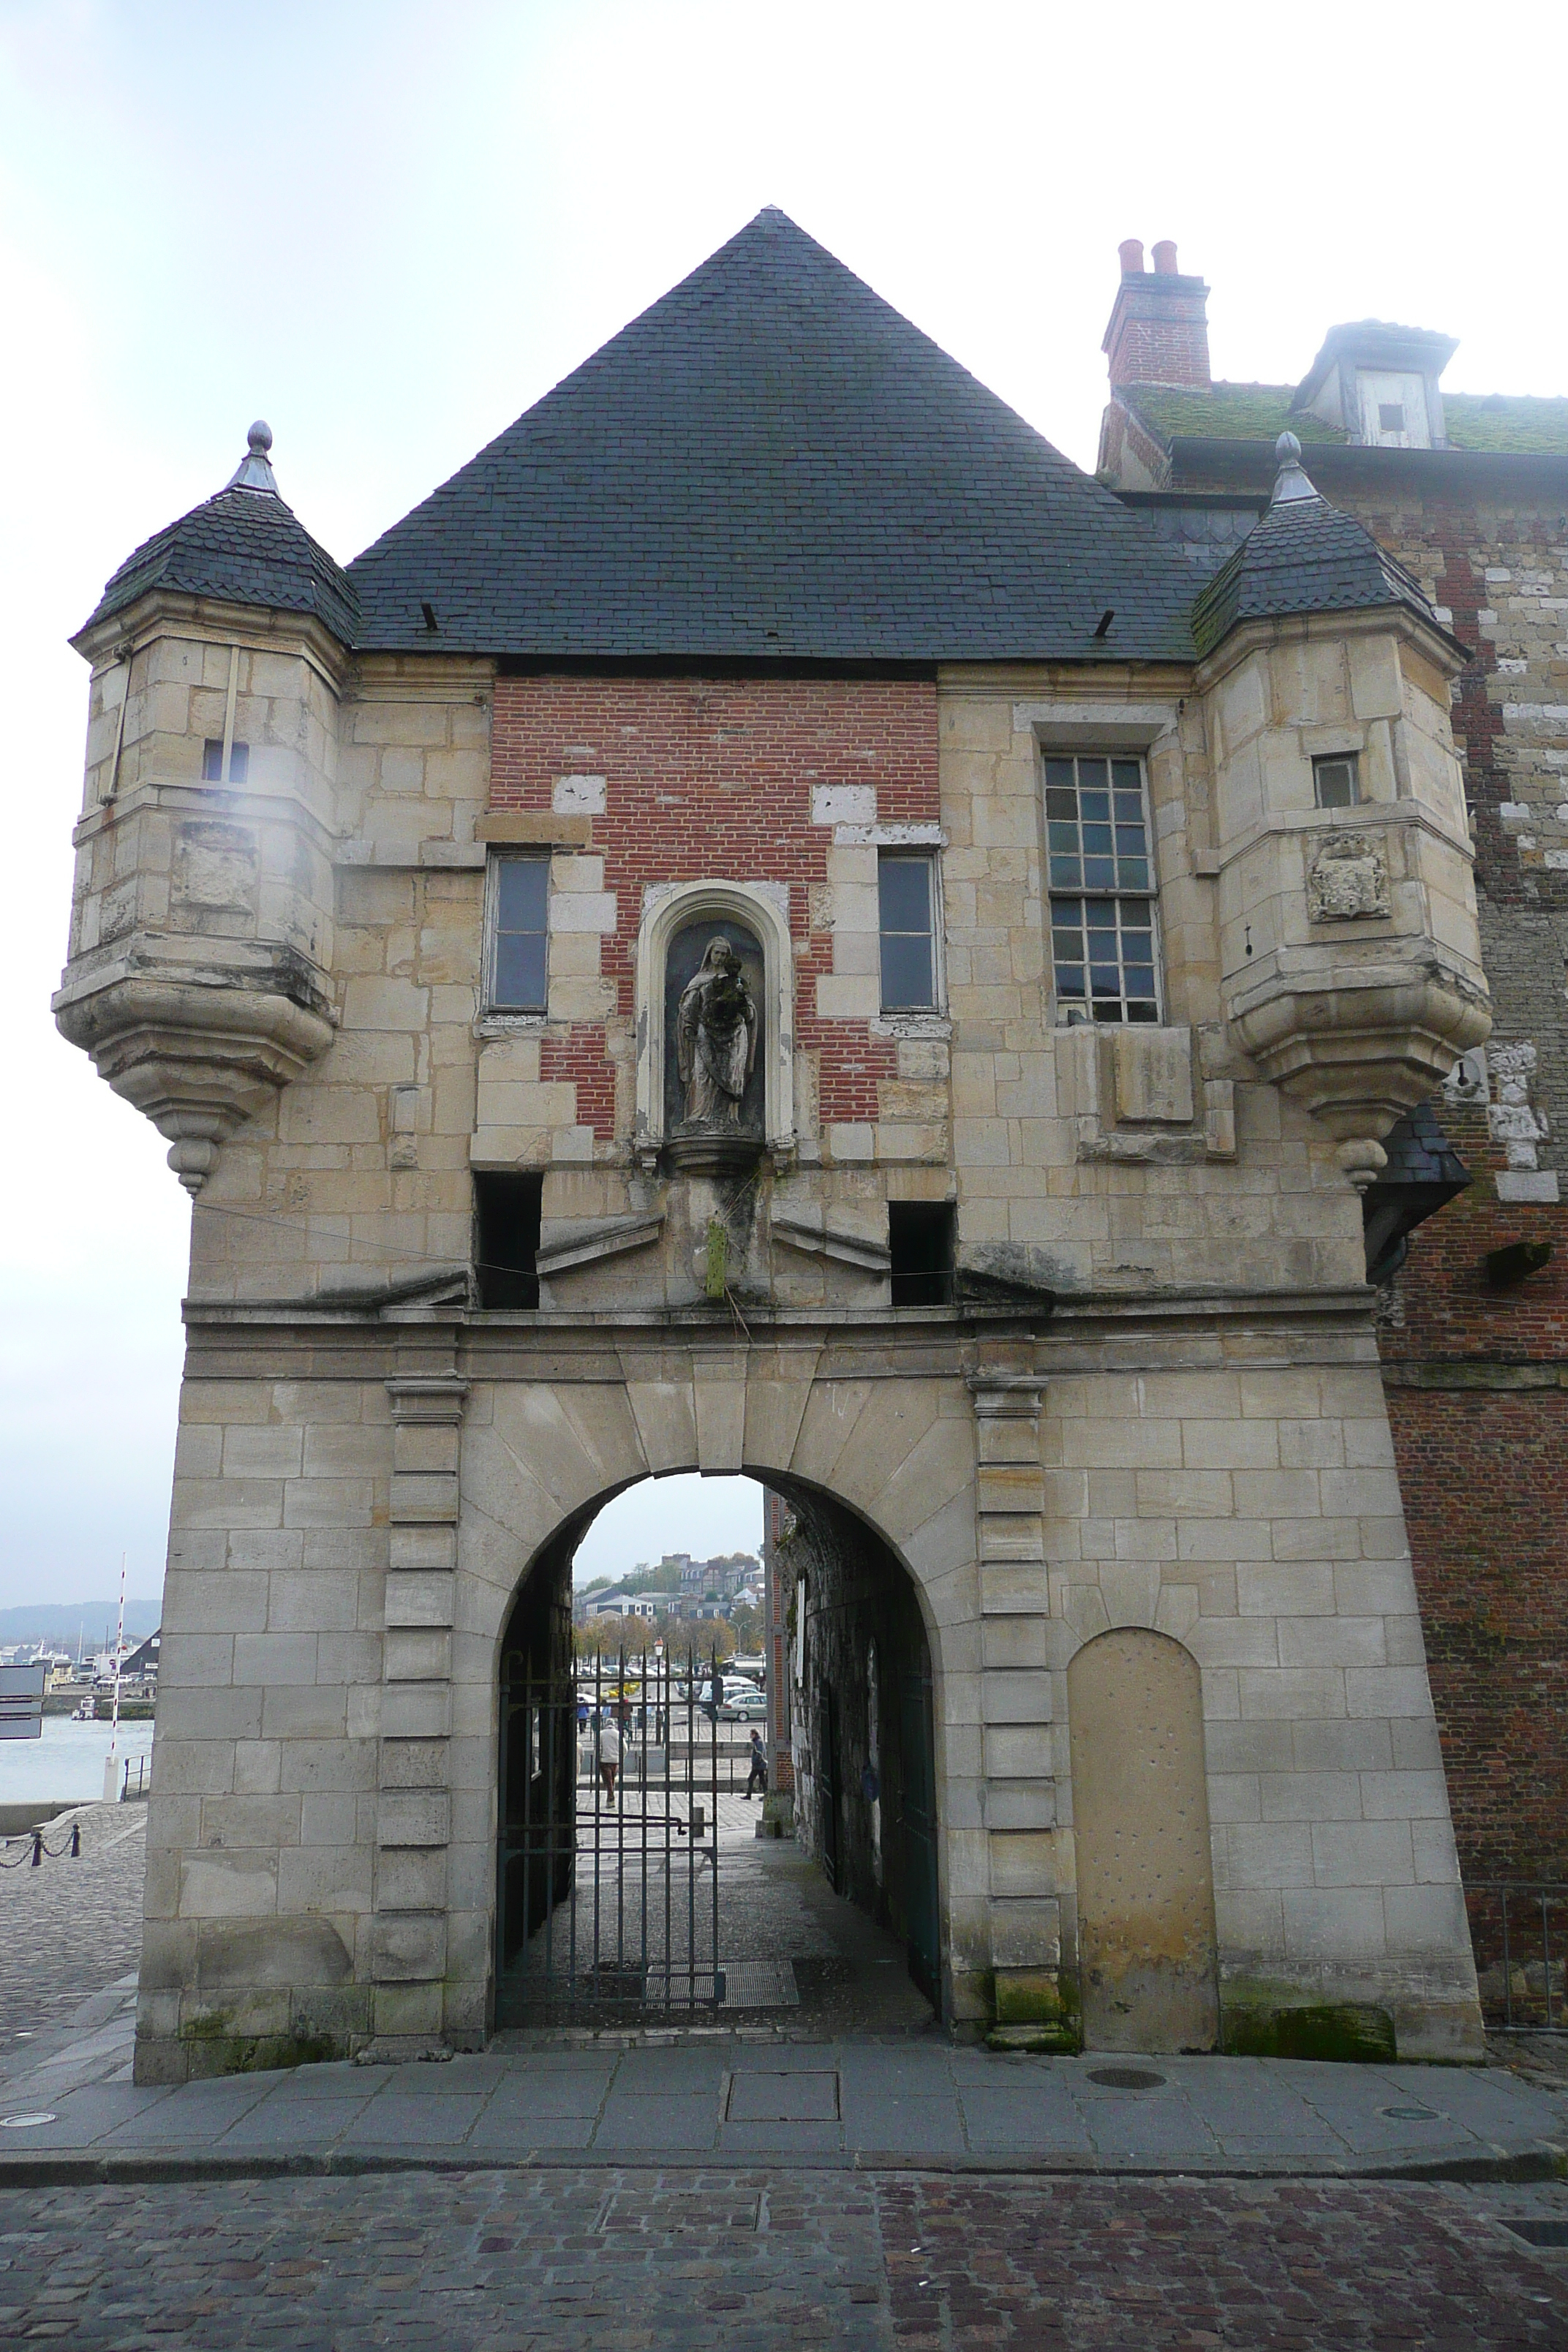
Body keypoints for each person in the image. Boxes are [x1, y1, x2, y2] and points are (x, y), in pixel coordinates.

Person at [597, 1710, 622, 1802]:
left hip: (605, 1760)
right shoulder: (618, 1734)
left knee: (608, 1780)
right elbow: (625, 1748)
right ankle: (610, 1797)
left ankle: (611, 1798)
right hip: (615, 1760)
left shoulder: (601, 1734)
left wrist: (598, 1758)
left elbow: (598, 1748)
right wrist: (620, 1757)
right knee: (612, 1779)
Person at [744, 1727, 767, 1801]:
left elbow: (759, 1753)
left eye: (751, 1734)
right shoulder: (758, 1741)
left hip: (758, 1765)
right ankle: (766, 1794)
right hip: (761, 1764)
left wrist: (755, 1761)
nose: (750, 1736)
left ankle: (749, 1795)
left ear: (754, 1734)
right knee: (762, 1780)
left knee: (751, 1779)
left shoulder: (758, 1742)